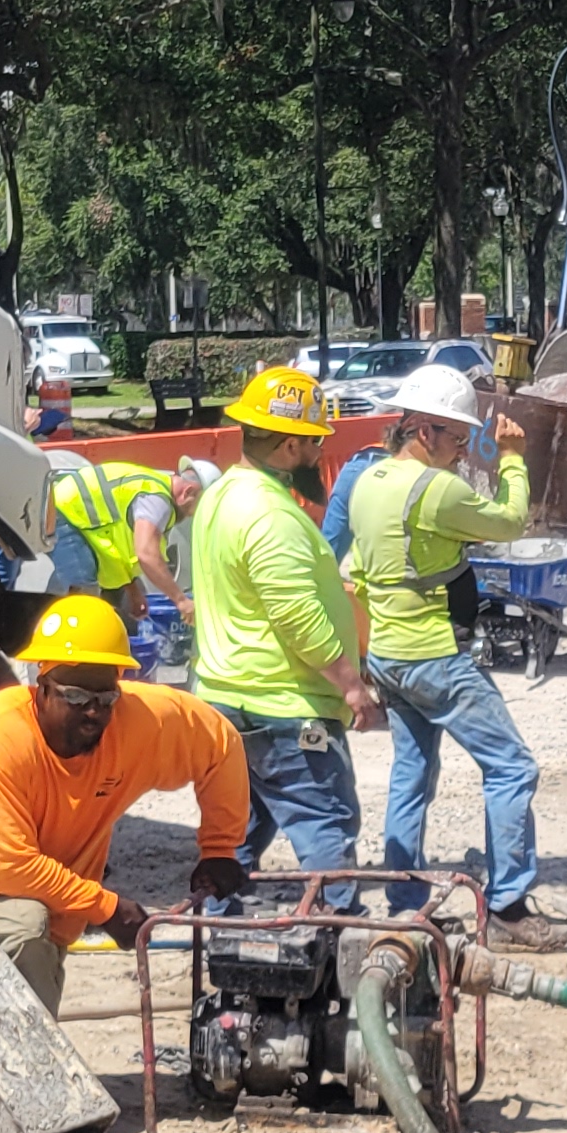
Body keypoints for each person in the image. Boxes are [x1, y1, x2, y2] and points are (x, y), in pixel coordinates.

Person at [0, 596, 250, 1008]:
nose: (92, 712)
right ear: (42, 688)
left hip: (40, 883)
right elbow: (5, 867)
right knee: (24, 929)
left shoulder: (137, 721)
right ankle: (23, 1066)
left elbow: (220, 742)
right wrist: (105, 907)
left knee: (42, 936)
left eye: (105, 698)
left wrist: (220, 847)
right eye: (74, 697)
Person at [343, 365, 558, 945]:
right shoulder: (435, 489)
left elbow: (354, 574)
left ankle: (407, 902)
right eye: (458, 439)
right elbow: (512, 521)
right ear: (422, 429)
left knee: (412, 774)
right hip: (434, 655)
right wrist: (512, 456)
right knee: (512, 767)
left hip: (390, 654)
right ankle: (510, 907)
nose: (465, 452)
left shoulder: (368, 481)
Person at [190, 365, 379, 899]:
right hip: (287, 709)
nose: (320, 453)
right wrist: (350, 685)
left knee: (236, 830)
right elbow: (298, 617)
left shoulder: (221, 497)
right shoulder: (269, 515)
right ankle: (338, 931)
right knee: (324, 821)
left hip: (227, 703)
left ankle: (218, 931)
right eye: (314, 443)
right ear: (290, 445)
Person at [48, 456, 211, 625]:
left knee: (76, 598)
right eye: (198, 506)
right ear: (188, 492)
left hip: (72, 515)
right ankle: (69, 645)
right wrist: (181, 601)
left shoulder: (153, 488)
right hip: (65, 513)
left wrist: (133, 591)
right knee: (83, 600)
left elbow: (119, 546)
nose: (193, 515)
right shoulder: (157, 500)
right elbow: (147, 554)